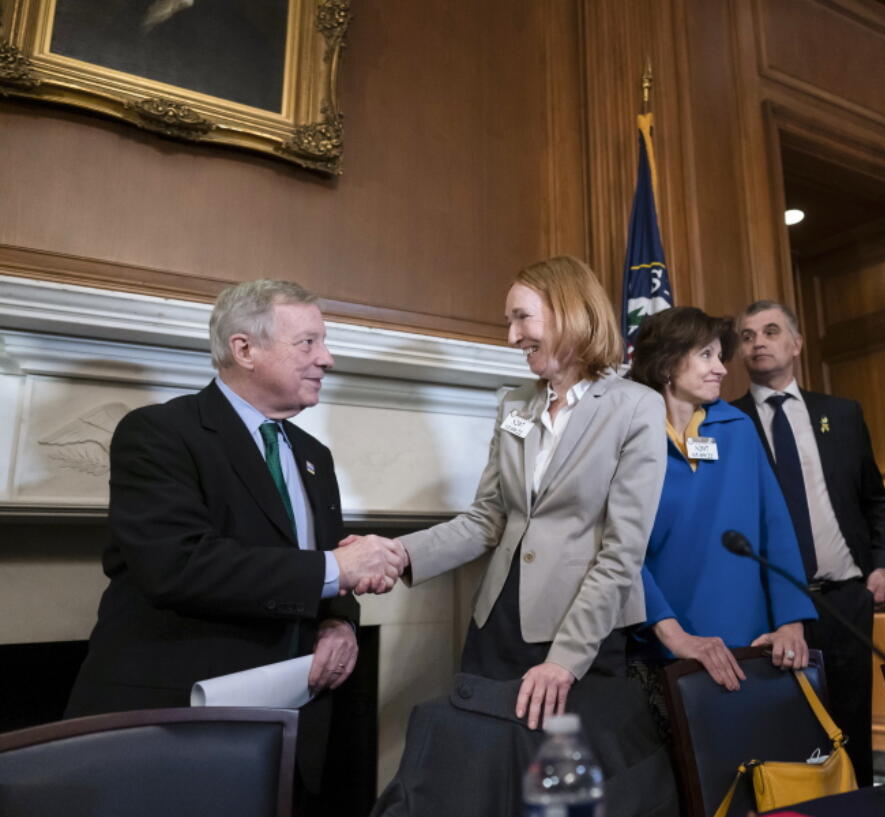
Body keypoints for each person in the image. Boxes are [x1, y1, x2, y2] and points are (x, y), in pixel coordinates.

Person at [64, 279, 408, 810]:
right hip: (175, 727)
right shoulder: (158, 433)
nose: (328, 359)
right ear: (244, 349)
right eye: (308, 343)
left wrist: (339, 620)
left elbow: (320, 565)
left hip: (286, 728)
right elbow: (177, 565)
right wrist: (338, 569)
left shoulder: (314, 453)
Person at [356, 256, 677, 817]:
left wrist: (565, 661)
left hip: (581, 632)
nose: (511, 337)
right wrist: (399, 552)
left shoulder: (636, 407)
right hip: (496, 624)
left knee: (558, 794)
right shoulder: (514, 405)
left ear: (569, 312)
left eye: (521, 318)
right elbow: (487, 519)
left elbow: (623, 550)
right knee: (484, 777)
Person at [729, 299, 885, 787]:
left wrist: (882, 567)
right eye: (747, 335)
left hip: (847, 599)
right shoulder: (726, 421)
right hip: (772, 609)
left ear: (796, 344)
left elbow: (875, 500)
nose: (758, 341)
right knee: (791, 736)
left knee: (852, 731)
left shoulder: (841, 414)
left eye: (771, 331)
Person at [626, 306, 815, 693]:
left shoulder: (737, 428)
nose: (723, 369)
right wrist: (673, 633)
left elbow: (774, 526)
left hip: (750, 641)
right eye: (706, 355)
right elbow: (617, 549)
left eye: (720, 356)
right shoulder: (624, 435)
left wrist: (791, 622)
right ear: (666, 364)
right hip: (662, 645)